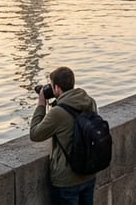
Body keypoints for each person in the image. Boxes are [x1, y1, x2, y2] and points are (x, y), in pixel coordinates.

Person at [29, 67, 99, 204]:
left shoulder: (58, 112)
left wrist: (41, 104)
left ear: (56, 88)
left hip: (66, 180)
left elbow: (35, 134)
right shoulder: (90, 102)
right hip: (89, 173)